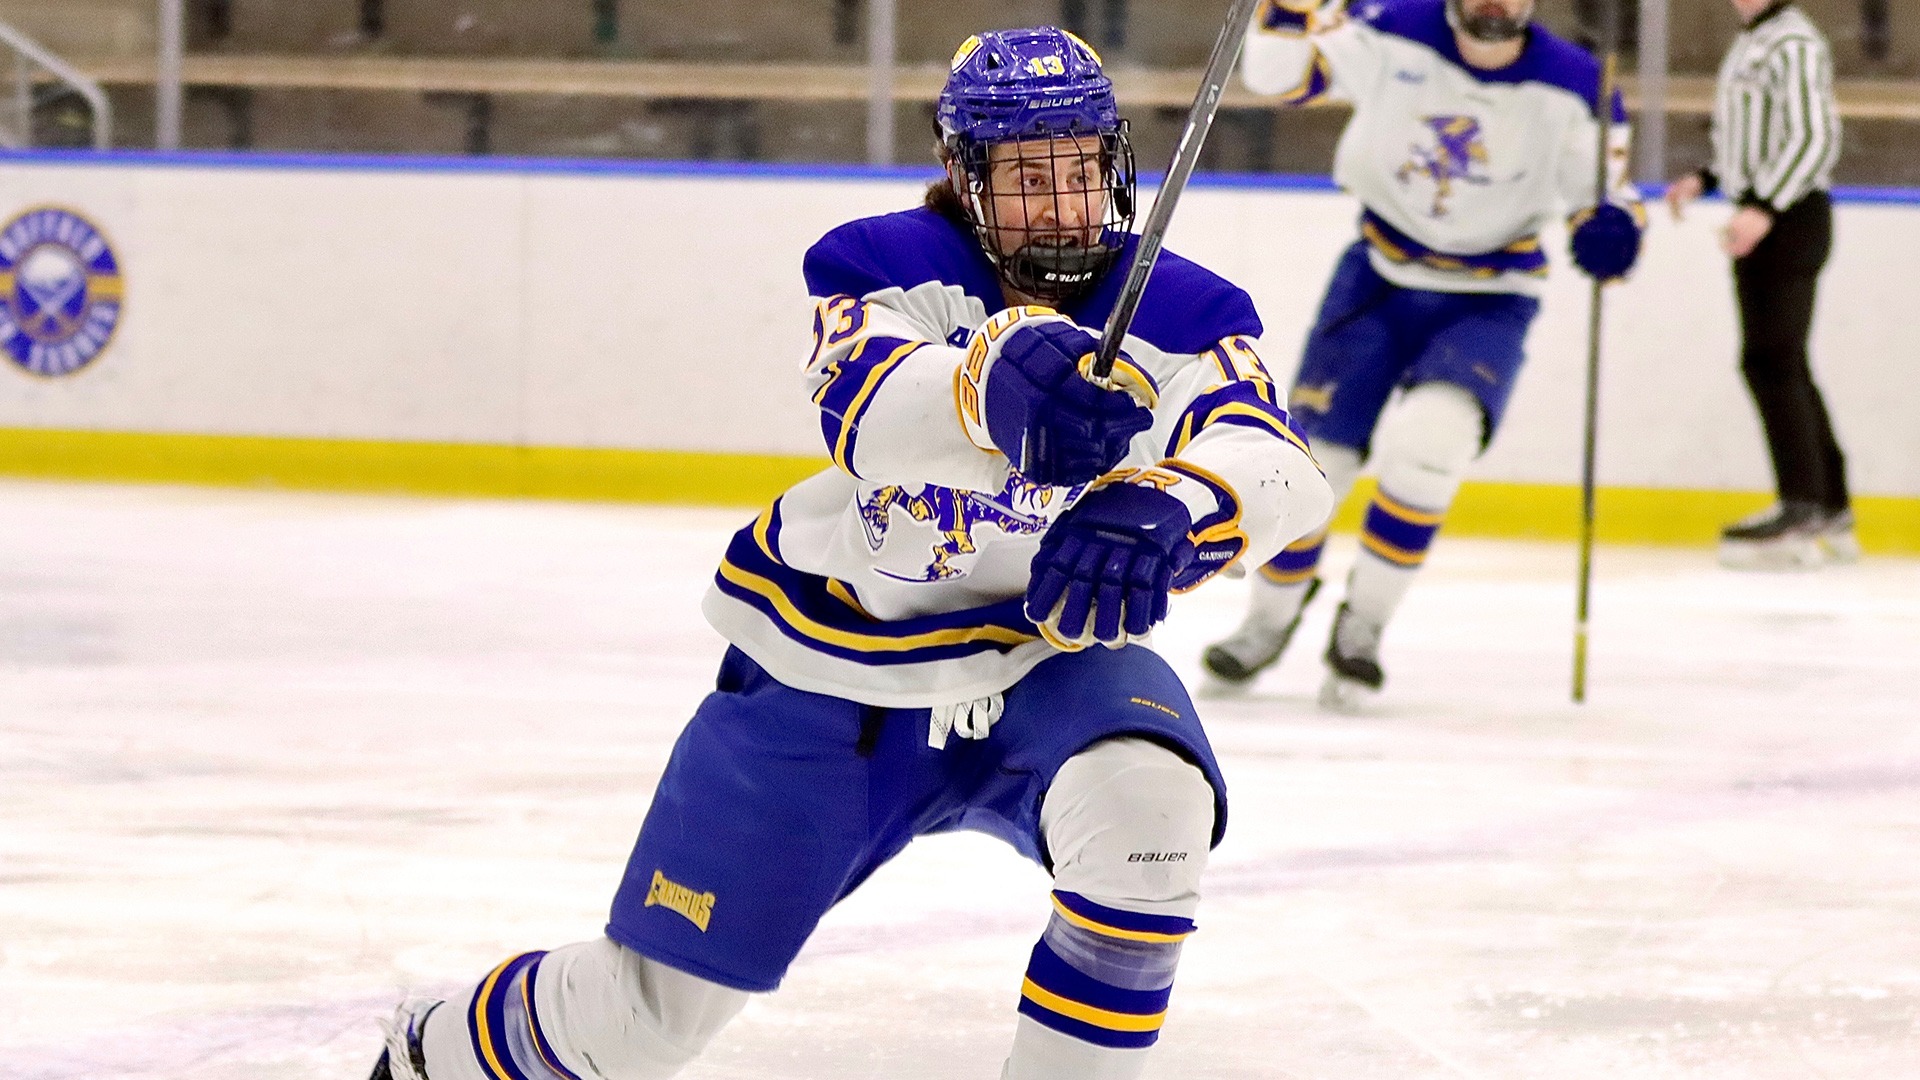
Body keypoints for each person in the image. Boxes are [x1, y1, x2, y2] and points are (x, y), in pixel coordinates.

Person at [368, 26, 1333, 1080]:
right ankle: (436, 1053)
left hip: (1044, 662)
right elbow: (864, 404)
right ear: (962, 178)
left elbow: (1274, 457)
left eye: (1082, 170)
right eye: (1023, 176)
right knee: (639, 1023)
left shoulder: (1187, 310)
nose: (1058, 205)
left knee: (1154, 811)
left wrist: (1172, 505)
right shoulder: (883, 262)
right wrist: (995, 385)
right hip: (836, 668)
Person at [1204, 0, 1644, 708]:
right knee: (1311, 467)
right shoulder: (1388, 25)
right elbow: (1280, 81)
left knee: (1430, 448)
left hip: (1492, 295)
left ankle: (1364, 628)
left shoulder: (1578, 84)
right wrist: (1285, 12)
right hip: (1377, 277)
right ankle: (1268, 622)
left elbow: (1606, 199)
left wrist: (1612, 232)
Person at [1665, 0, 1854, 570]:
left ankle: (1803, 507)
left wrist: (1765, 207)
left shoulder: (1791, 42)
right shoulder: (1754, 40)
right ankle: (1829, 505)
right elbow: (1756, 136)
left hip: (1790, 217)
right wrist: (1706, 176)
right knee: (1781, 360)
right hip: (1770, 213)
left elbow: (1812, 136)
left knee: (1770, 358)